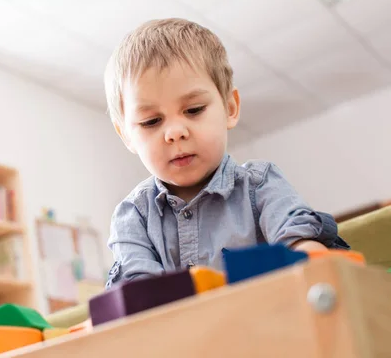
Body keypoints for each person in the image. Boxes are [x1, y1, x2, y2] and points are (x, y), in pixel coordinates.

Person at [103, 18, 348, 288]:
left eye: (193, 110)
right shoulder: (133, 216)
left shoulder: (261, 186)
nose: (174, 133)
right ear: (126, 135)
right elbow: (140, 300)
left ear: (230, 108)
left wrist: (306, 254)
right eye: (151, 121)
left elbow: (304, 250)